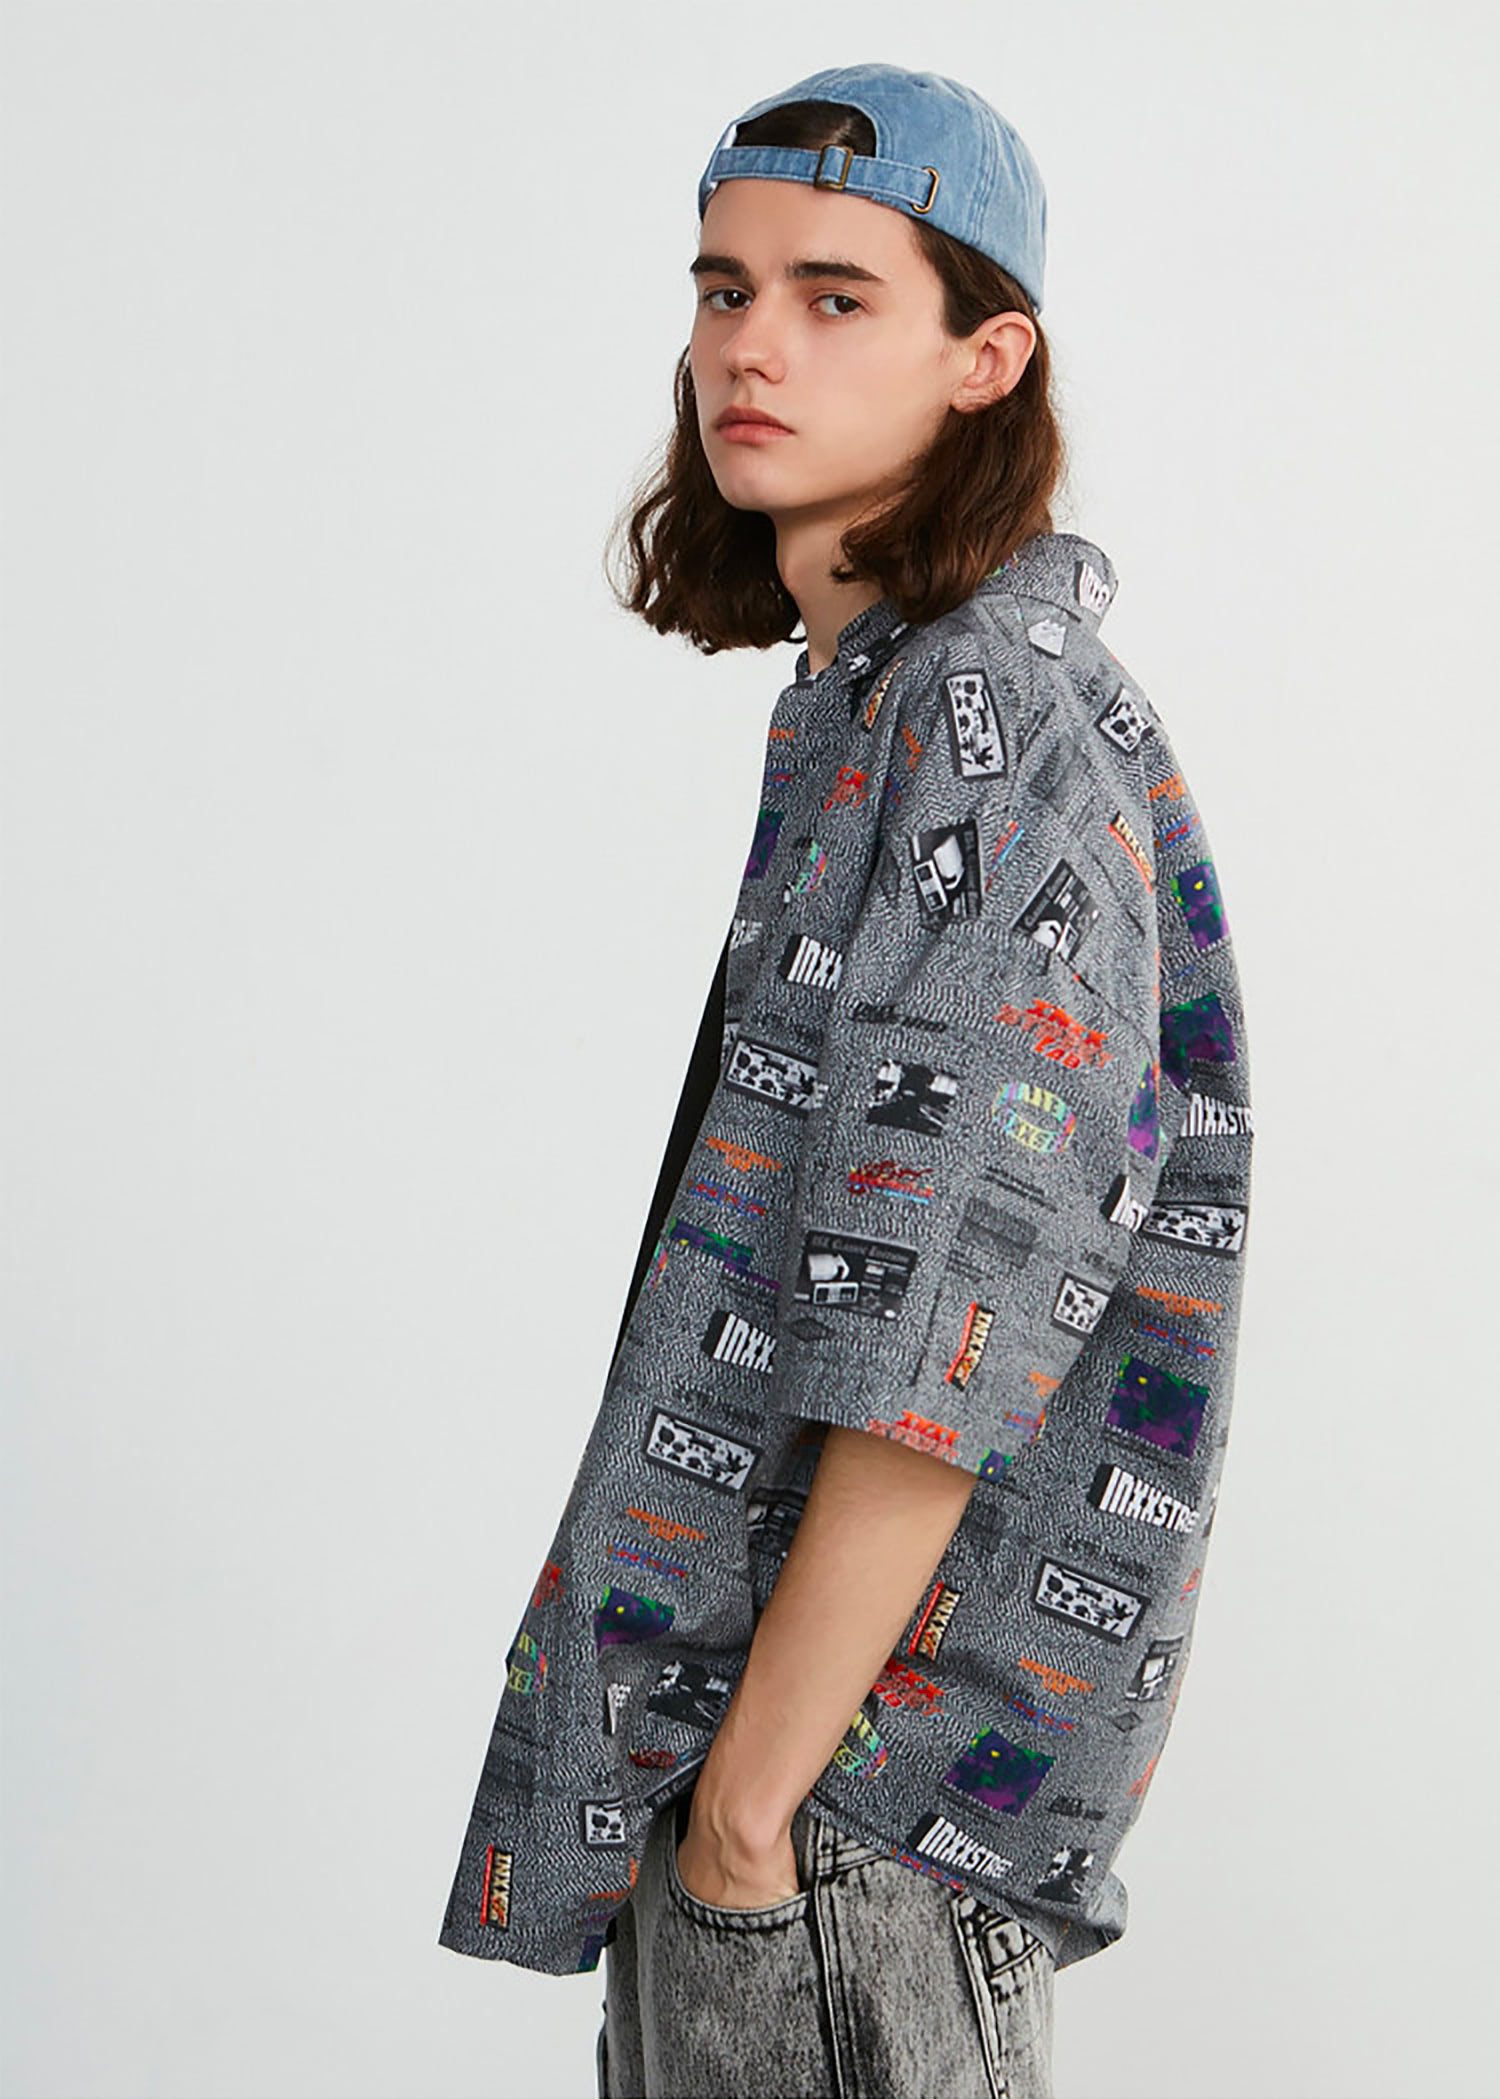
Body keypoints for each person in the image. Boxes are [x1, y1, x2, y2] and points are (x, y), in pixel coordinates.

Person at [436, 62, 1255, 2099]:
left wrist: (751, 1810)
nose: (749, 347)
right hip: (781, 1795)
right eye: (723, 290)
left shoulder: (990, 714)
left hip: (841, 1823)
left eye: (833, 296)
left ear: (989, 359)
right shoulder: (881, 700)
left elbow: (950, 1319)